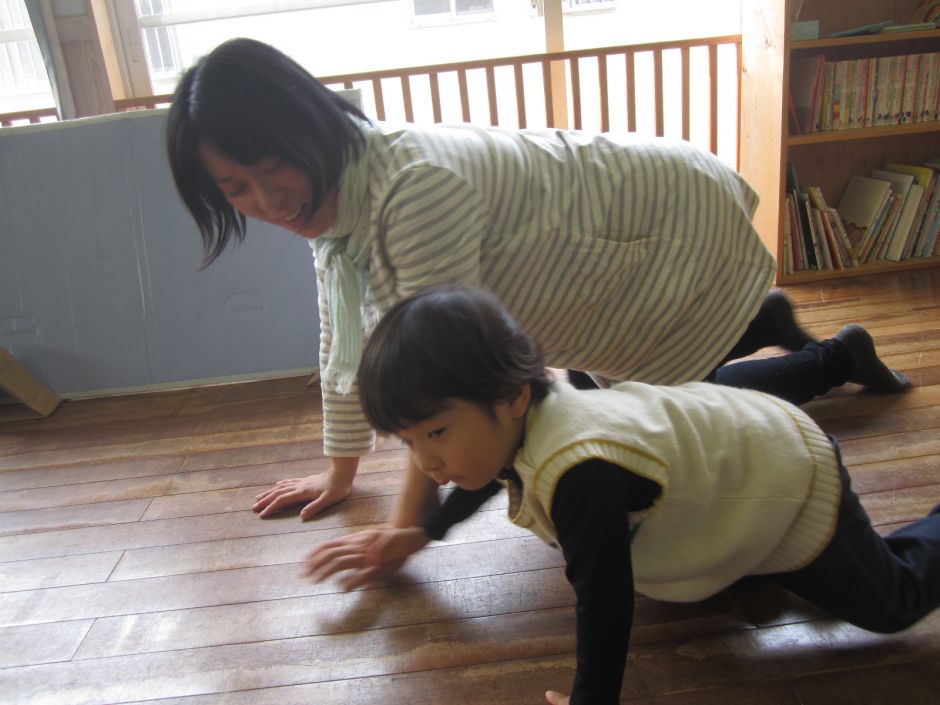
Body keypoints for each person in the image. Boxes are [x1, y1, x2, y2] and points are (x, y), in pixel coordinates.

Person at [165, 37, 906, 523]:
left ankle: (833, 355)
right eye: (236, 189)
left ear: (309, 129)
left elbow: (432, 372)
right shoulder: (334, 200)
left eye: (274, 170)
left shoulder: (409, 189)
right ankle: (767, 325)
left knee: (671, 424)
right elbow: (348, 340)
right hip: (591, 252)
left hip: (658, 224)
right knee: (614, 410)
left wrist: (408, 528)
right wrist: (341, 473)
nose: (269, 202)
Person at [304, 284, 937, 705]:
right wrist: (424, 531)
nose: (427, 463)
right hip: (732, 448)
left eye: (437, 433)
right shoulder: (518, 421)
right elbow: (491, 478)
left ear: (512, 397)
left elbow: (603, 597)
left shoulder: (579, 471)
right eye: (409, 441)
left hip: (791, 481)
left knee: (893, 604)